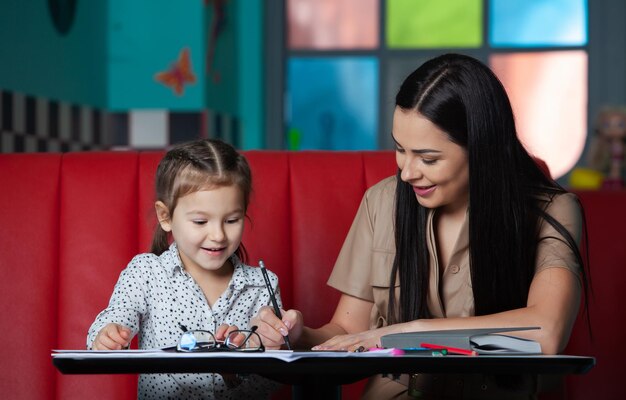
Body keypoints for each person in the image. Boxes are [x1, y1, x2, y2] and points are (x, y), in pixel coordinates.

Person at [252, 53, 590, 399]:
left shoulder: (554, 210)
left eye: (428, 158)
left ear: (482, 149)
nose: (407, 172)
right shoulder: (380, 202)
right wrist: (298, 336)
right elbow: (349, 330)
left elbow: (546, 331)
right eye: (401, 150)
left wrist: (403, 333)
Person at [87, 138, 282, 399]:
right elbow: (117, 316)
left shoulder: (263, 284)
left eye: (232, 220)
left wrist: (239, 371)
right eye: (201, 221)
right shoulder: (146, 273)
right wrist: (107, 335)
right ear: (165, 217)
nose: (218, 235)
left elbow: (274, 380)